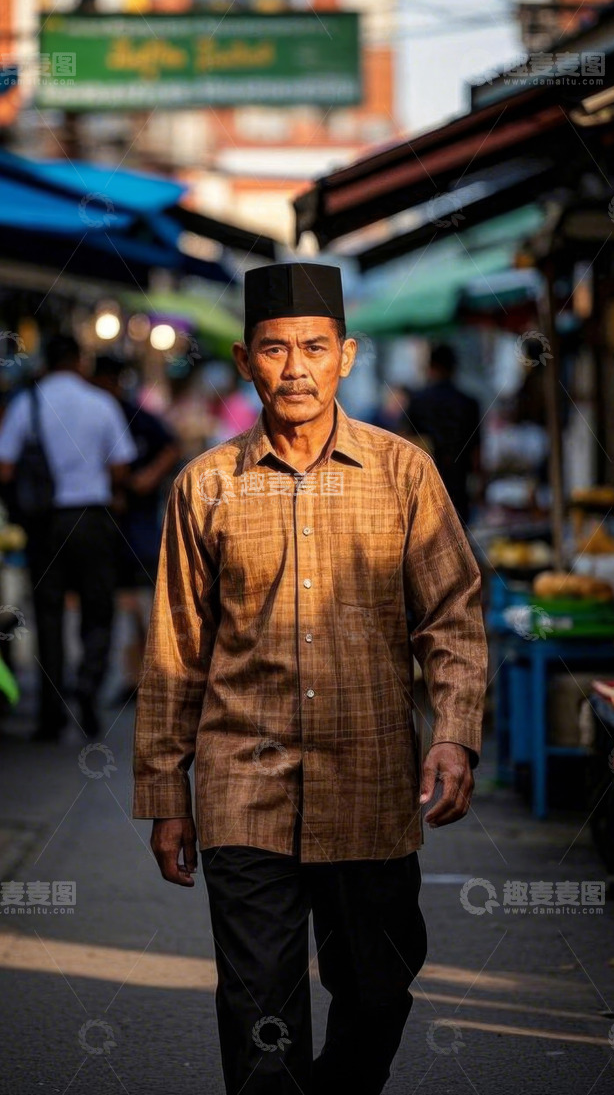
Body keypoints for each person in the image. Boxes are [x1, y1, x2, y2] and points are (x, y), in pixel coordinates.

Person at [133, 263, 488, 1095]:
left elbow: (454, 614)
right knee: (261, 1008)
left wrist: (455, 733)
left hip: (369, 785)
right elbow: (174, 648)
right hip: (241, 785)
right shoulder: (205, 485)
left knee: (377, 988)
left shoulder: (405, 473)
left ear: (347, 357)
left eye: (315, 348)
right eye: (276, 348)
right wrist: (165, 793)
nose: (296, 367)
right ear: (247, 359)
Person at [0, 335, 137, 741]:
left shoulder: (28, 403)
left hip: (46, 523)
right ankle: (89, 685)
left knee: (49, 613)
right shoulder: (100, 403)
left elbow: (3, 466)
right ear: (78, 361)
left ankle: (51, 712)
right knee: (97, 608)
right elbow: (121, 467)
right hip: (92, 517)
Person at [91, 355, 180, 697]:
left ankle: (147, 675)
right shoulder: (93, 412)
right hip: (105, 522)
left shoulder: (135, 415)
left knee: (144, 600)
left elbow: (171, 446)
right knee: (116, 602)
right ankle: (128, 676)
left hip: (140, 524)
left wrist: (147, 478)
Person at [406, 343, 481, 525]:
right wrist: (480, 485)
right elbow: (476, 452)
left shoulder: (418, 401)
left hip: (425, 486)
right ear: (453, 368)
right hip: (458, 486)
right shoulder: (468, 403)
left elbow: (405, 443)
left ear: (431, 368)